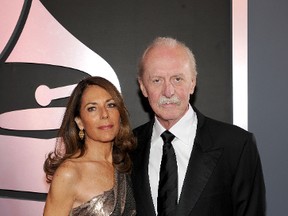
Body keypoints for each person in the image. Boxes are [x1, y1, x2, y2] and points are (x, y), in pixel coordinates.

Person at [131, 37, 266, 216]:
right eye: (157, 80)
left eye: (177, 79)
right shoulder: (127, 148)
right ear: (143, 87)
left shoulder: (236, 145)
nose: (168, 91)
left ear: (192, 83)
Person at [43, 76, 136, 216]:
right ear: (79, 122)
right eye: (92, 108)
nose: (104, 114)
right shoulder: (69, 173)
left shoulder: (127, 165)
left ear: (119, 114)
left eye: (111, 105)